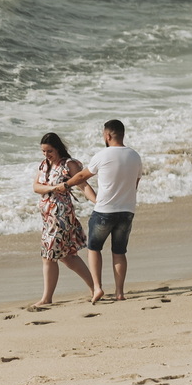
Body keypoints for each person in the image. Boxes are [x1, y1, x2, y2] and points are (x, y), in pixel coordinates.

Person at [54, 119, 142, 303]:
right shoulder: (135, 156)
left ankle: (98, 288)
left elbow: (81, 176)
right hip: (127, 211)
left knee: (94, 249)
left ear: (108, 135)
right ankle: (120, 293)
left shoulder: (102, 155)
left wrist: (65, 185)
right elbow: (135, 185)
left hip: (104, 210)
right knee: (119, 252)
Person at [31, 132, 98, 309]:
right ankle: (95, 288)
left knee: (48, 257)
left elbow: (83, 185)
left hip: (61, 217)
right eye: (44, 151)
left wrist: (98, 202)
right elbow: (36, 187)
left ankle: (46, 298)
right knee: (68, 257)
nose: (46, 155)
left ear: (58, 148)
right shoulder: (44, 165)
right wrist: (53, 187)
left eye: (49, 151)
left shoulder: (68, 165)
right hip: (48, 219)